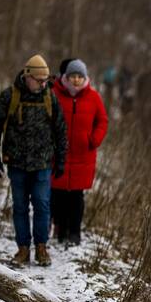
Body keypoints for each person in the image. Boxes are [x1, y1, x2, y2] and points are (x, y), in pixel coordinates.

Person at [0, 54, 68, 267]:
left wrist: (60, 159)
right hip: (16, 163)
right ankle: (23, 249)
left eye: (45, 80)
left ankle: (41, 247)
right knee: (20, 206)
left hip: (42, 164)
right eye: (39, 80)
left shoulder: (50, 98)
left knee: (42, 204)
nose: (43, 84)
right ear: (27, 75)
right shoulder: (10, 96)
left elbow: (61, 130)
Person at [50, 58, 109, 246]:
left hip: (83, 155)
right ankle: (60, 229)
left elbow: (103, 121)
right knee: (57, 195)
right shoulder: (54, 94)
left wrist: (94, 140)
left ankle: (74, 233)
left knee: (76, 197)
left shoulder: (93, 96)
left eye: (79, 76)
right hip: (58, 154)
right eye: (72, 76)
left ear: (84, 78)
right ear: (66, 77)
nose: (76, 80)